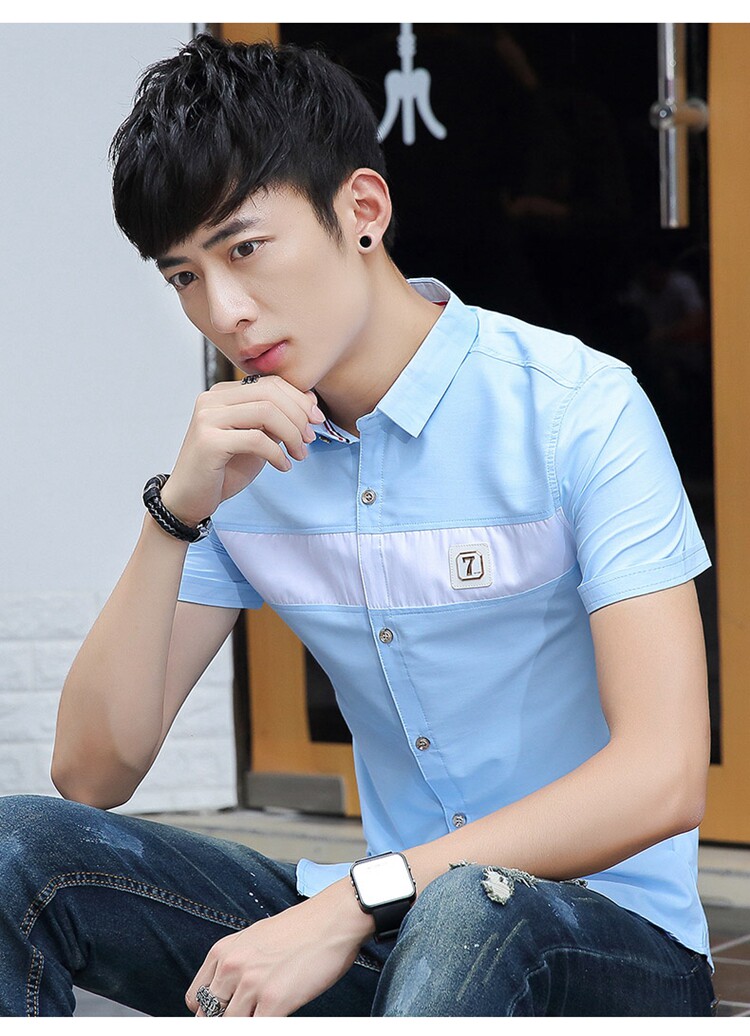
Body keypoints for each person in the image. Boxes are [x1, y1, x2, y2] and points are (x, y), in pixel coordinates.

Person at [0, 33, 715, 1017]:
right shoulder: (247, 457)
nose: (224, 311)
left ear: (362, 211)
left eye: (244, 249)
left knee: (470, 904)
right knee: (20, 849)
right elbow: (92, 772)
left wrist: (362, 894)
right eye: (184, 278)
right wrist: (178, 510)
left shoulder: (576, 409)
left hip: (605, 935)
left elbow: (664, 777)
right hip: (392, 928)